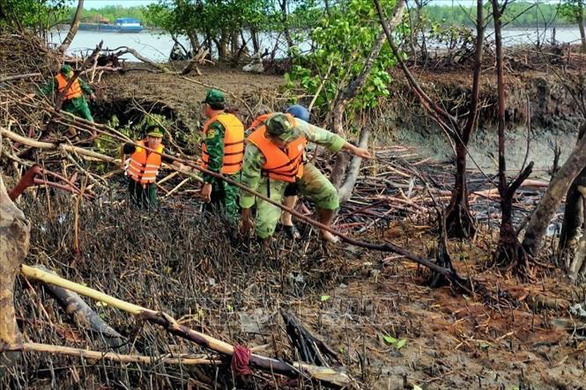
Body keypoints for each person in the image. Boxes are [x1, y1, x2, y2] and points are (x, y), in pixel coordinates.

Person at [240, 112, 372, 243]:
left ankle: (324, 230)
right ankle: (265, 247)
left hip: (298, 167)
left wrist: (354, 149)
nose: (288, 143)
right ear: (269, 136)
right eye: (282, 140)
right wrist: (245, 219)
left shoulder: (299, 127)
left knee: (330, 194)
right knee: (265, 224)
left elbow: (326, 137)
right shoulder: (254, 150)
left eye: (290, 138)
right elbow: (248, 186)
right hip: (272, 178)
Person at [200, 89, 245, 224]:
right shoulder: (234, 120)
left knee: (214, 214)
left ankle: (216, 240)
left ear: (208, 106)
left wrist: (208, 183)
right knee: (230, 209)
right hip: (235, 175)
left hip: (220, 179)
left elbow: (215, 158)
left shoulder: (216, 126)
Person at [121, 125, 182, 208]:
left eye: (158, 138)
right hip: (135, 182)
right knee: (135, 206)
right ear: (148, 137)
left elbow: (175, 162)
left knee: (152, 207)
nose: (155, 141)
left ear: (161, 139)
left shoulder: (162, 151)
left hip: (150, 183)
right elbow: (123, 148)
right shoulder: (137, 146)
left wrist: (184, 167)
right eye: (153, 138)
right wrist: (122, 163)